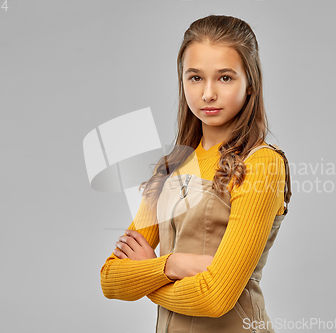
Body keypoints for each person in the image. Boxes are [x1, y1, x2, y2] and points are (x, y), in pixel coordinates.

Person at [100, 14, 292, 333]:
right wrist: (173, 264)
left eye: (225, 78)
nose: (208, 94)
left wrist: (146, 272)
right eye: (195, 77)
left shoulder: (262, 165)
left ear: (251, 84)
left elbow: (216, 297)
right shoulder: (169, 167)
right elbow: (111, 279)